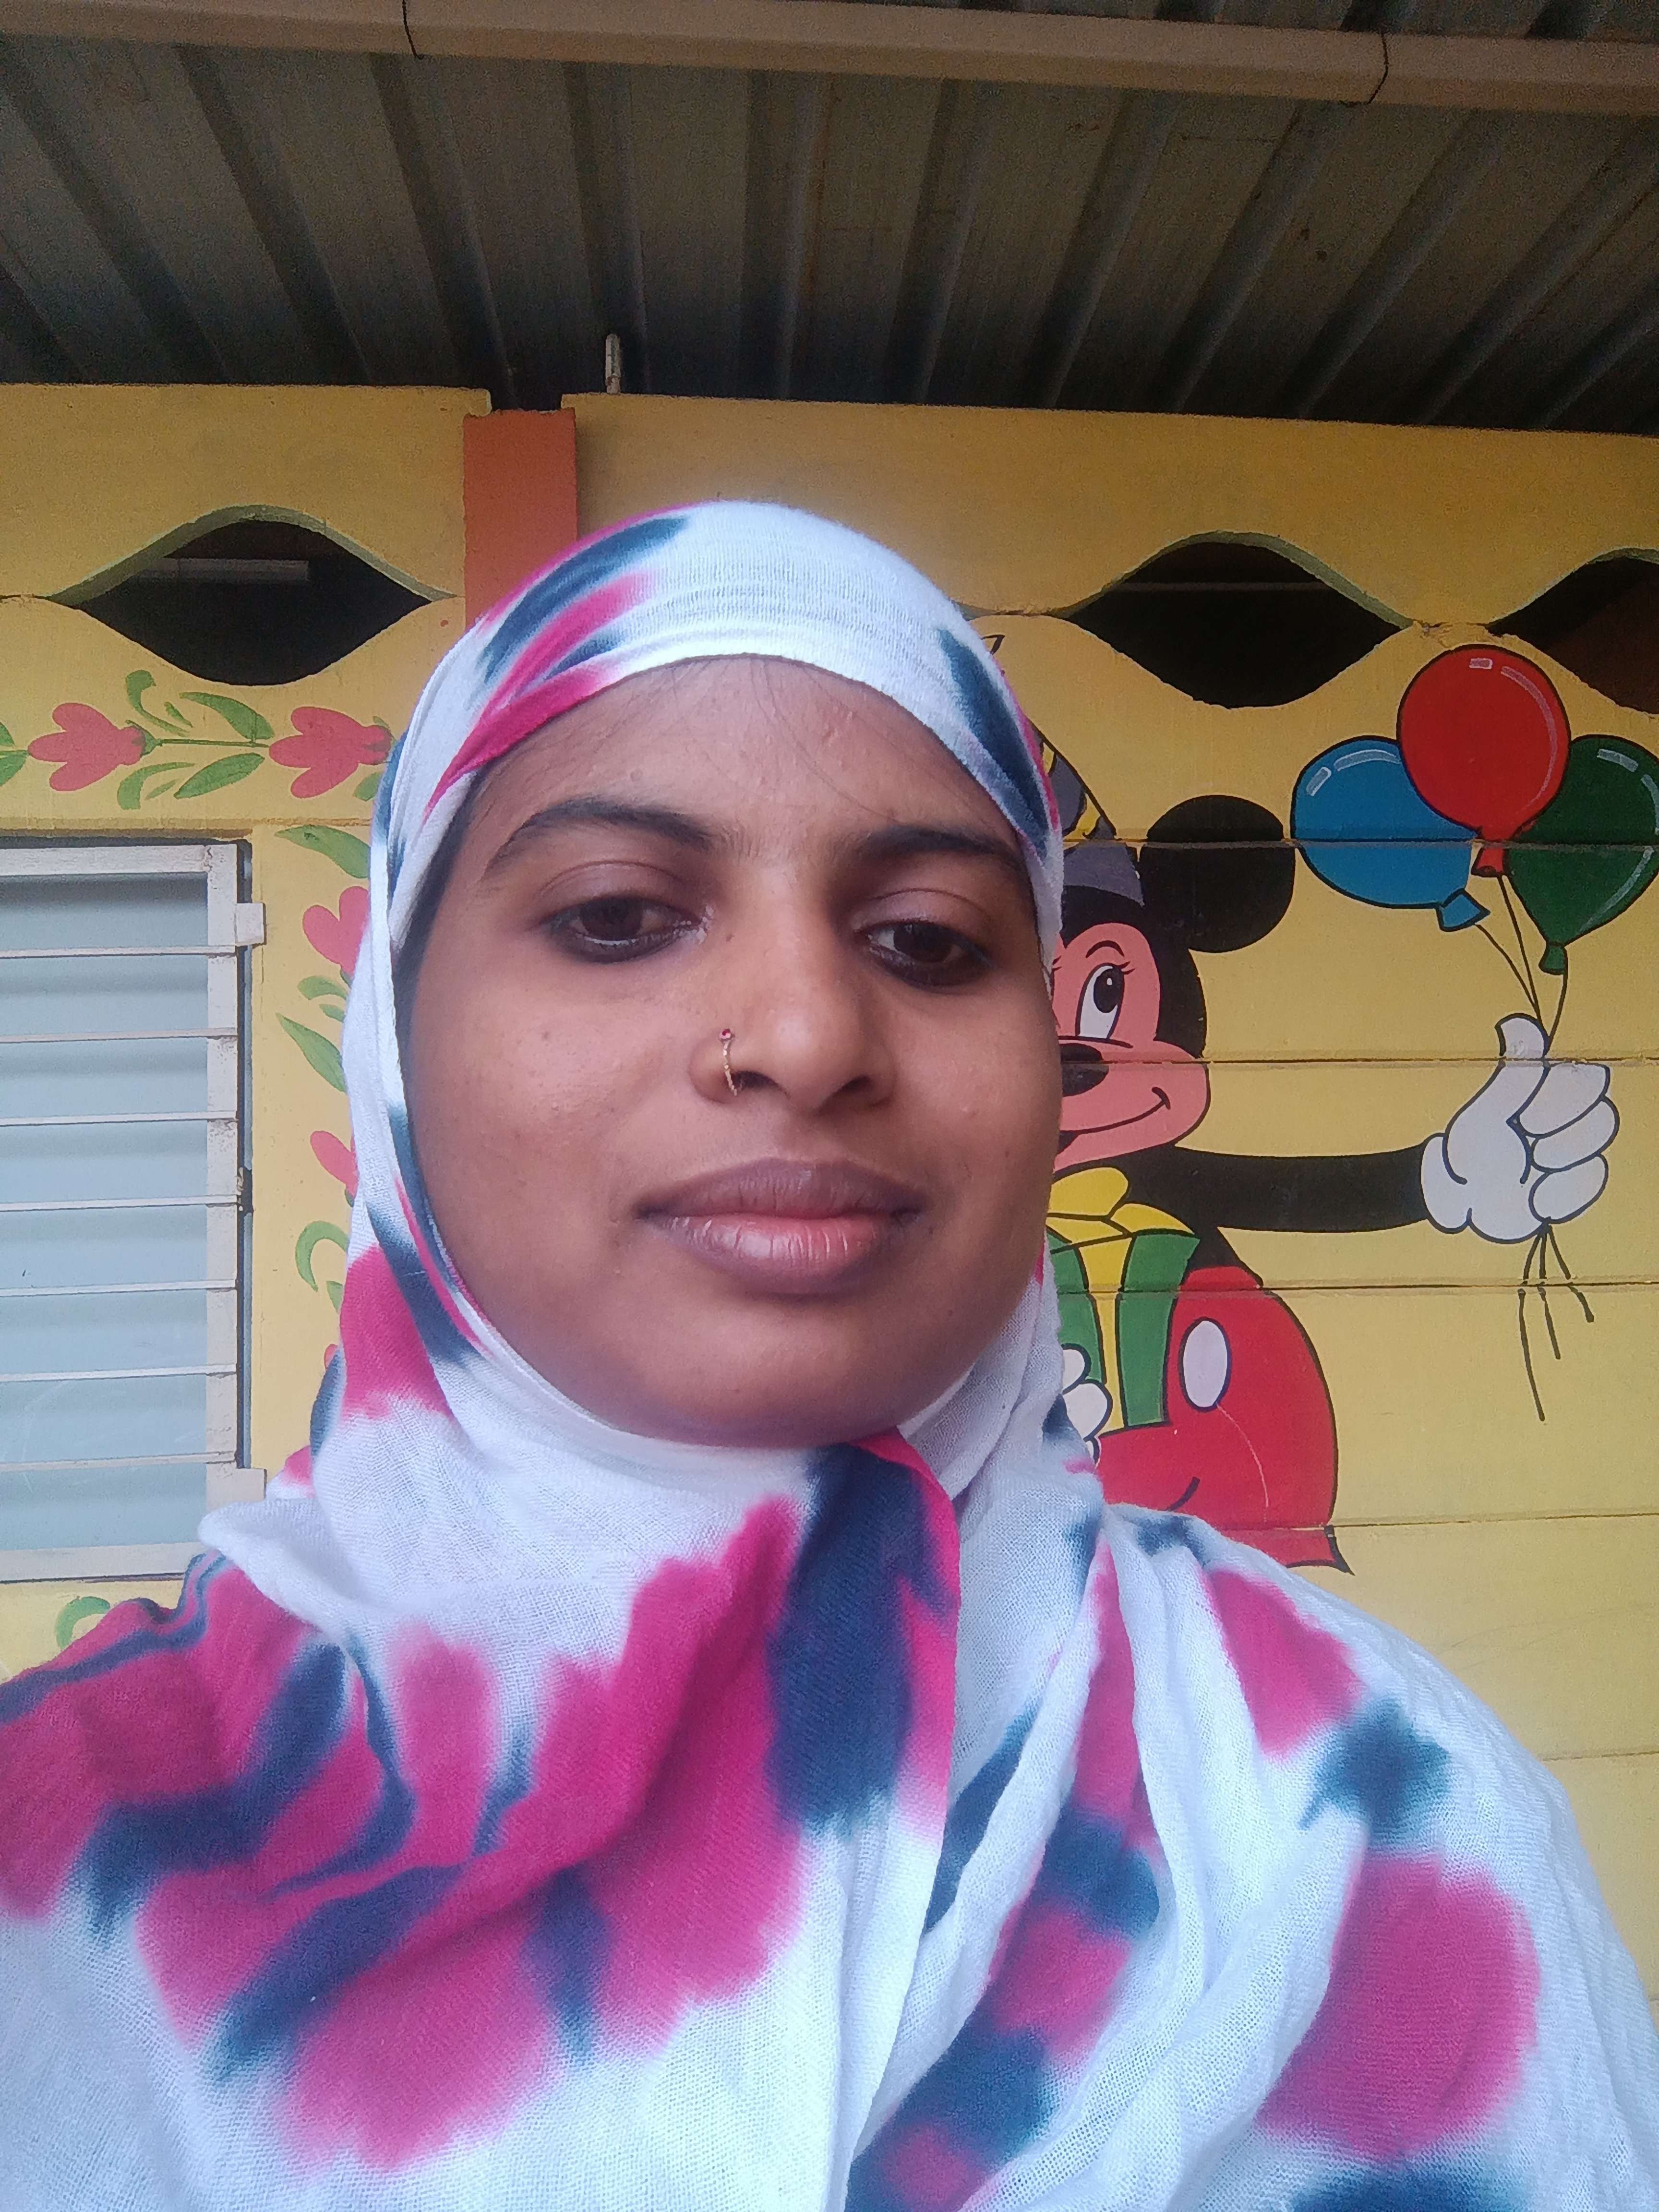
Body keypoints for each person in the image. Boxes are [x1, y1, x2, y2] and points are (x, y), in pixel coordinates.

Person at [0, 504, 1654, 2212]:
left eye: (931, 940)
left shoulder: (1375, 1812)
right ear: (397, 1039)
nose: (802, 1036)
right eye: (619, 916)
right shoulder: (56, 1884)